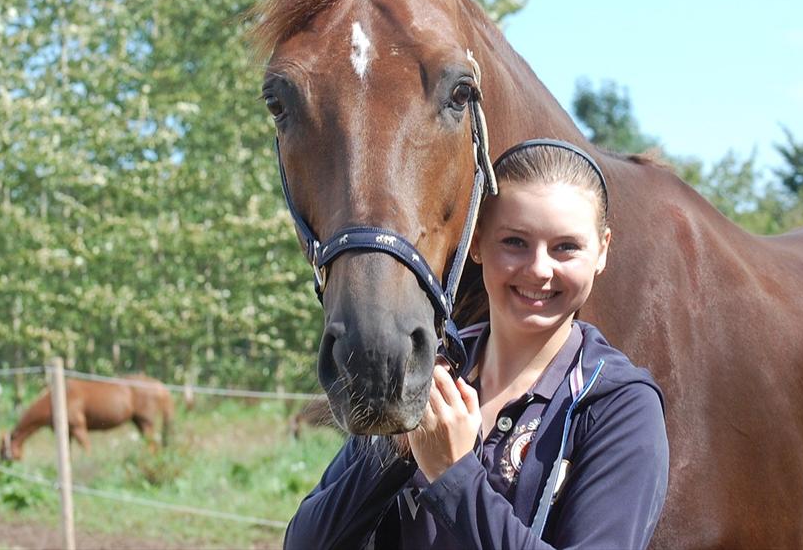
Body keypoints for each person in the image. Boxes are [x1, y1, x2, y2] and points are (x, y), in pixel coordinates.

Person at [284, 139, 669, 550]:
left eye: (566, 247)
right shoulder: (425, 371)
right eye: (515, 242)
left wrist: (454, 476)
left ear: (601, 251)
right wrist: (397, 455)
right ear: (478, 243)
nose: (539, 269)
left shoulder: (620, 406)